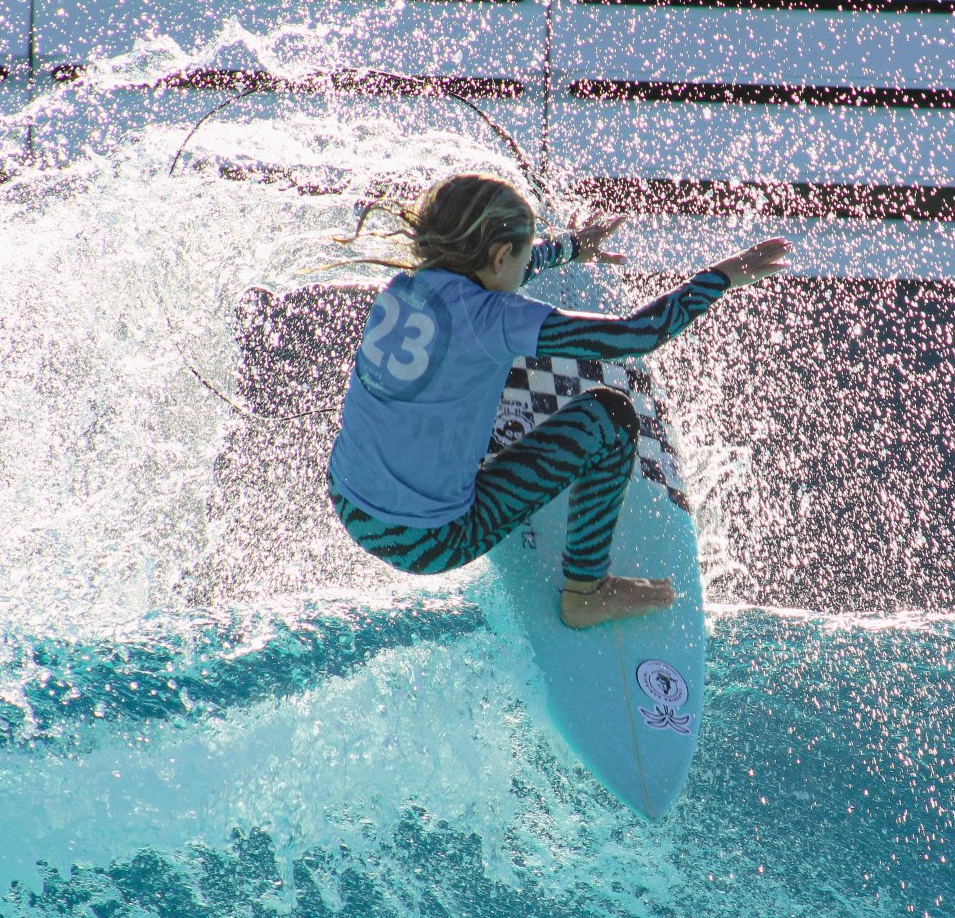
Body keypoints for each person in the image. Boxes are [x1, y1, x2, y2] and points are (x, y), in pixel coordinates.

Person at [327, 173, 788, 629]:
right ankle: (587, 593)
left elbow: (497, 274)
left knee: (474, 374)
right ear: (500, 254)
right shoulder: (494, 319)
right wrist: (722, 277)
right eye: (521, 256)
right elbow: (635, 335)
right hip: (429, 542)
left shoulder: (404, 287)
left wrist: (568, 249)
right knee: (612, 415)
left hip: (349, 501)